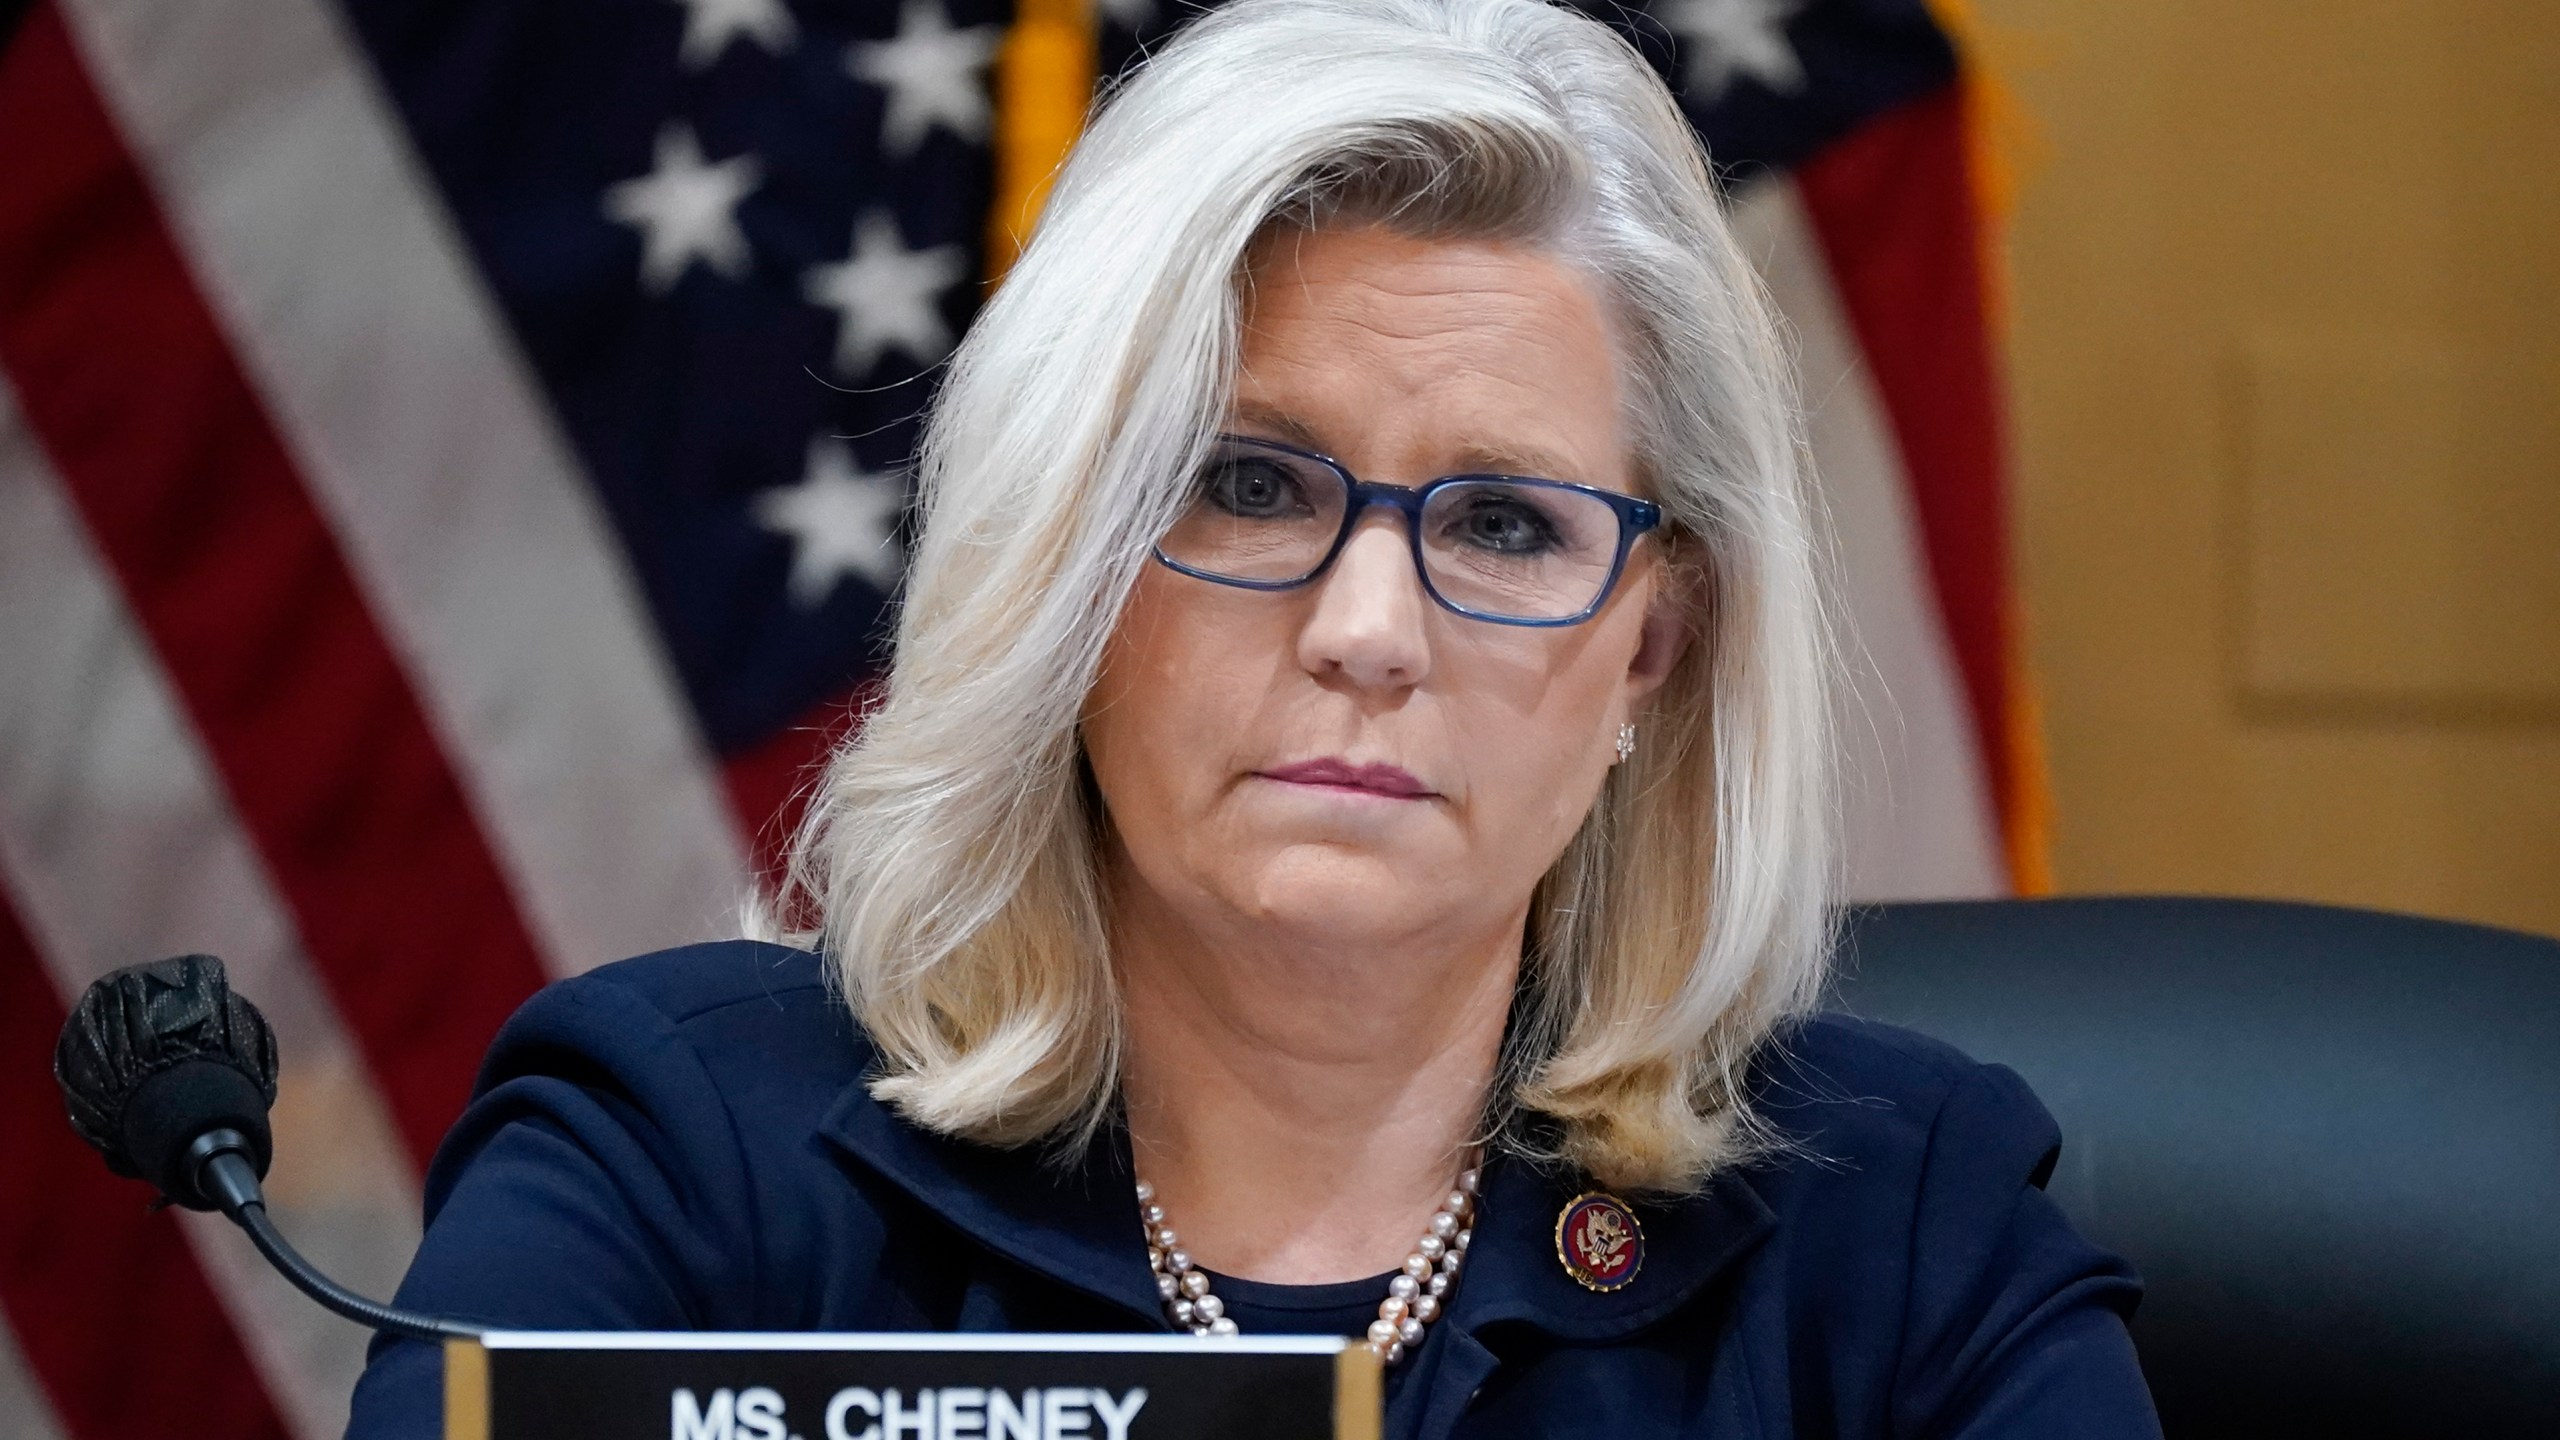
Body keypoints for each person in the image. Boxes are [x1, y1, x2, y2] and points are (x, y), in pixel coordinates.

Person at [348, 0, 2158, 1433]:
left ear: (1649, 657)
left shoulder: (1902, 1224)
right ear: (1069, 563)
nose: (1369, 631)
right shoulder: (676, 1155)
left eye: (1507, 523)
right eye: (1251, 488)